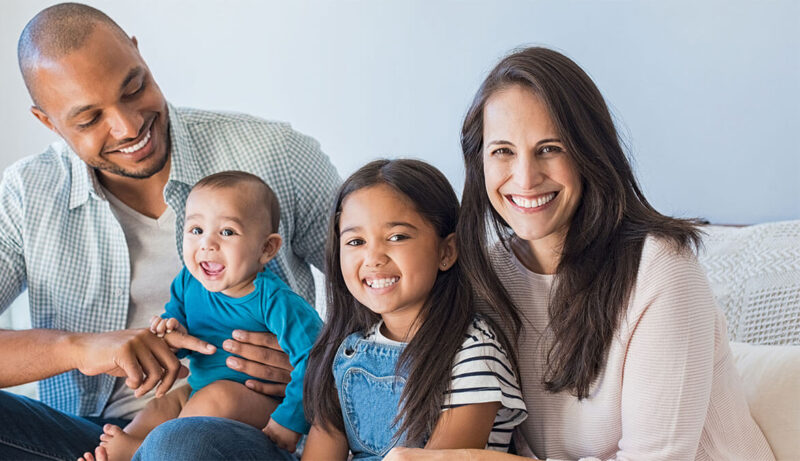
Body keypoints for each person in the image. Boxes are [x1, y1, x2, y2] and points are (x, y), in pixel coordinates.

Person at [0, 3, 339, 459]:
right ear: (48, 122)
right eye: (89, 118)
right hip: (95, 441)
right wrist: (79, 348)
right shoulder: (29, 195)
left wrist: (315, 369)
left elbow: (388, 292)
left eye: (133, 87)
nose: (128, 126)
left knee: (181, 441)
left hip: (236, 432)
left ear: (138, 53)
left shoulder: (273, 156)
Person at [383, 47, 773, 460]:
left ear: (589, 152)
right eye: (503, 151)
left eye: (550, 148)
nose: (526, 178)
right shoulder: (487, 275)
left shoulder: (661, 270)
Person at [79, 172, 323, 461]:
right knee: (164, 402)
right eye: (196, 230)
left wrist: (289, 420)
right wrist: (168, 333)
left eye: (227, 232)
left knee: (218, 396)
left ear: (266, 248)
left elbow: (317, 359)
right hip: (198, 390)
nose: (207, 244)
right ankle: (125, 445)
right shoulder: (187, 282)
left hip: (262, 406)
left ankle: (139, 453)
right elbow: (179, 330)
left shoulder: (275, 301)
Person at [300, 159, 526, 460]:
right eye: (356, 241)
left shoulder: (473, 351)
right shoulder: (347, 350)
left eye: (396, 237)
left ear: (446, 252)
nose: (373, 258)